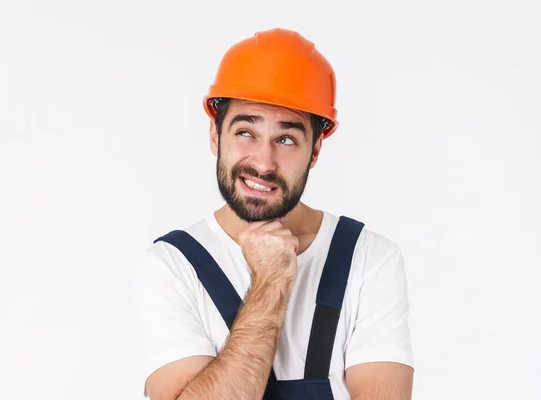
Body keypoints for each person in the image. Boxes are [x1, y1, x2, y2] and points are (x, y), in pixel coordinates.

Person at [133, 27, 414, 400]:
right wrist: (270, 280)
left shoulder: (370, 259)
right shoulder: (171, 266)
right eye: (246, 132)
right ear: (216, 136)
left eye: (286, 139)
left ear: (315, 151)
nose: (263, 163)